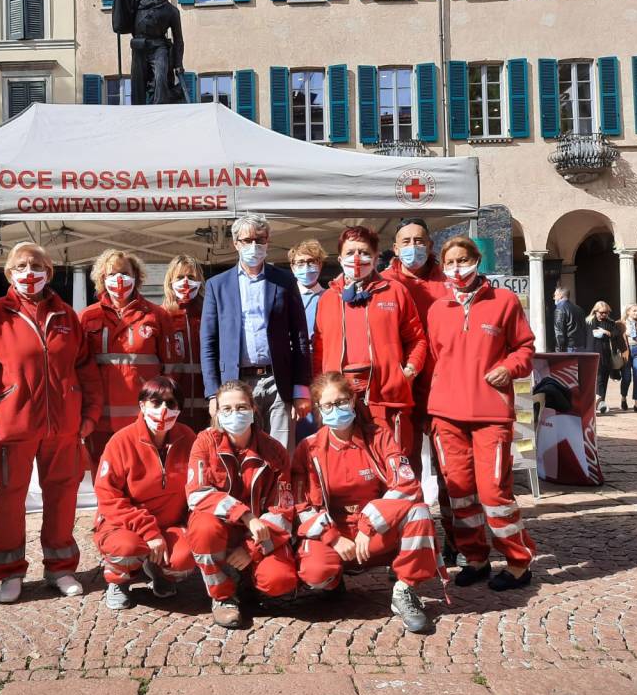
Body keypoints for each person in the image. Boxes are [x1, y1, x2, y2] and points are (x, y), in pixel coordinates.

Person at [0, 242, 102, 603]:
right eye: (21, 266)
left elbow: (86, 369)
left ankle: (60, 567)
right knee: (9, 500)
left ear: (50, 272)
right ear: (8, 273)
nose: (29, 273)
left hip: (65, 426)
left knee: (63, 496)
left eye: (37, 265)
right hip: (12, 425)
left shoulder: (67, 317)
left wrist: (89, 415)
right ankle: (10, 573)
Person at [427, 236, 536, 591]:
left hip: (490, 413)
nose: (457, 268)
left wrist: (510, 367)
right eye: (450, 262)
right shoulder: (437, 308)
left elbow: (525, 348)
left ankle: (519, 563)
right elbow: (434, 356)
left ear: (477, 260)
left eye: (463, 260)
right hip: (446, 414)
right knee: (459, 494)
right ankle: (475, 558)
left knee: (494, 494)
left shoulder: (504, 301)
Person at [292, 372, 439, 633]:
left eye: (341, 401)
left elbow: (407, 486)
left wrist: (367, 523)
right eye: (327, 405)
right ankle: (333, 580)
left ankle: (405, 589)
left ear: (353, 400)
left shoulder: (379, 438)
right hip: (337, 536)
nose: (335, 409)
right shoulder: (309, 448)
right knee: (315, 574)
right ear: (318, 409)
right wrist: (334, 538)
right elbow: (303, 506)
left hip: (374, 531)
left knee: (420, 513)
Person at [185, 379, 298, 629]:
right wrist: (245, 514)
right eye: (227, 409)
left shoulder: (274, 450)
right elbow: (196, 494)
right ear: (217, 412)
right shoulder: (205, 442)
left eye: (241, 407)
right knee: (203, 528)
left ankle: (249, 582)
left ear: (253, 409)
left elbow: (283, 511)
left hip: (259, 536)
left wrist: (251, 549)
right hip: (222, 529)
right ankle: (222, 596)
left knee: (280, 581)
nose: (234, 414)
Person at [312, 225, 428, 460]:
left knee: (395, 460)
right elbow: (319, 347)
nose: (357, 259)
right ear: (340, 258)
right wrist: (320, 390)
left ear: (376, 257)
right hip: (340, 398)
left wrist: (409, 371)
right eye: (350, 252)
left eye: (364, 252)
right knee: (351, 462)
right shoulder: (328, 299)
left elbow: (417, 338)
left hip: (386, 393)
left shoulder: (395, 291)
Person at [201, 213, 311, 455]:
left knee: (282, 453)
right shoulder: (217, 285)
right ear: (236, 243)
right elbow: (209, 343)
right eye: (247, 240)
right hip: (236, 382)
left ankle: (281, 494)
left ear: (268, 241)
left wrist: (301, 388)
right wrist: (212, 393)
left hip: (278, 381)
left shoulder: (283, 281)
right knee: (240, 451)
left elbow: (300, 337)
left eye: (260, 240)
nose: (254, 246)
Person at [380, 217, 452, 556]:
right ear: (395, 248)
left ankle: (458, 539)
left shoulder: (450, 281)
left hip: (444, 387)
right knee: (405, 465)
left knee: (450, 469)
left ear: (431, 245)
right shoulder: (382, 283)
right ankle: (411, 539)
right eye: (406, 241)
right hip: (401, 389)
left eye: (419, 240)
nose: (413, 247)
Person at [94, 376, 197, 610]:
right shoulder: (121, 441)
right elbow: (108, 496)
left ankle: (160, 573)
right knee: (127, 548)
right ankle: (118, 581)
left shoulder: (188, 438)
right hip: (124, 525)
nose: (164, 409)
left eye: (171, 403)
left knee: (186, 556)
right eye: (156, 402)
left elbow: (199, 486)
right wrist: (149, 532)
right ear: (142, 405)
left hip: (169, 524)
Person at [81, 249, 174, 464]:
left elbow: (169, 370)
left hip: (143, 418)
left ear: (136, 277)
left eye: (124, 273)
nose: (119, 279)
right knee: (103, 479)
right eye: (111, 274)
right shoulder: (87, 317)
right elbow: (79, 369)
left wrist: (164, 410)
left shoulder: (156, 316)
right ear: (102, 279)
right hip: (99, 419)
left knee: (140, 476)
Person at [162, 255, 210, 432]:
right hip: (173, 408)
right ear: (170, 282)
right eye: (180, 277)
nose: (185, 282)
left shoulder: (209, 314)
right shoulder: (162, 316)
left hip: (207, 408)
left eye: (191, 278)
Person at [289, 239, 327, 443]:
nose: (306, 267)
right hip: (291, 378)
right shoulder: (284, 297)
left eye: (311, 261)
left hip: (321, 376)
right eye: (300, 262)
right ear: (292, 267)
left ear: (320, 264)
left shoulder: (330, 297)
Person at [585, 301, 622, 415]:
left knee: (603, 378)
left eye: (606, 313)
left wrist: (607, 332)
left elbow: (616, 334)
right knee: (594, 378)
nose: (604, 315)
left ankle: (601, 401)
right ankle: (595, 402)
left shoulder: (610, 322)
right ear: (596, 311)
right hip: (591, 352)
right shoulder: (589, 321)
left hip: (605, 353)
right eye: (601, 313)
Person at [553, 287, 585, 353]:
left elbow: (559, 333)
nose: (554, 298)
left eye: (555, 295)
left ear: (560, 296)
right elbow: (583, 328)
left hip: (569, 348)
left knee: (569, 364)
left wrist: (558, 351)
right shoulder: (579, 308)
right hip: (580, 346)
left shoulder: (560, 309)